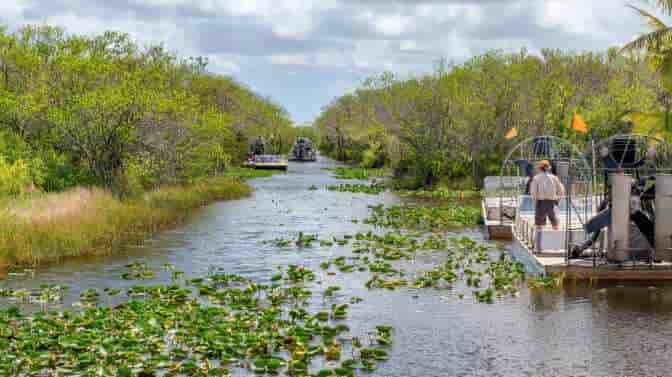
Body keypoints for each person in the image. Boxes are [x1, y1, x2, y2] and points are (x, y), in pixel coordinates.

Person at [529, 160, 565, 232]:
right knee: (554, 222)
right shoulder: (554, 178)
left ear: (539, 168)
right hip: (552, 202)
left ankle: (539, 240)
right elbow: (561, 190)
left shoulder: (536, 178)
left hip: (540, 202)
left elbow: (533, 192)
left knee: (539, 224)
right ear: (548, 168)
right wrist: (557, 200)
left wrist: (535, 202)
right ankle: (556, 238)